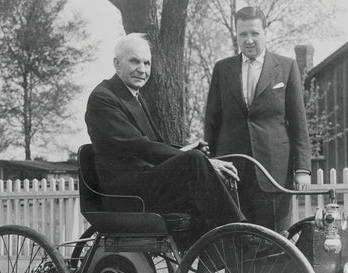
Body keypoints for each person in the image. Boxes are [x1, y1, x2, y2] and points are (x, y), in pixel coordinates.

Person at [85, 33, 245, 243]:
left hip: (143, 183)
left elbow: (152, 145)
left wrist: (187, 149)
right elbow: (139, 146)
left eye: (147, 63)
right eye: (134, 61)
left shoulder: (134, 95)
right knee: (197, 161)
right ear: (117, 63)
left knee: (215, 176)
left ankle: (213, 266)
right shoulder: (103, 98)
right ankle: (243, 236)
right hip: (125, 193)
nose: (142, 70)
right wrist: (200, 161)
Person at [205, 6, 311, 234]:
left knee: (274, 239)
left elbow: (299, 123)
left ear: (265, 33)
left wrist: (303, 169)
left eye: (254, 33)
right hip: (231, 169)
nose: (249, 40)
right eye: (243, 34)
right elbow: (211, 123)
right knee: (233, 239)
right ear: (237, 35)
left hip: (273, 169)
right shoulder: (222, 69)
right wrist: (211, 164)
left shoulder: (286, 67)